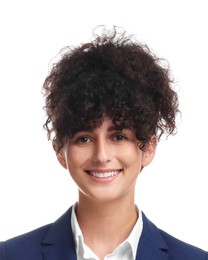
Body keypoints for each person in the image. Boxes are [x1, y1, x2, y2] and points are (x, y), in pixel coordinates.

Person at [0, 27, 207, 260]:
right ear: (60, 150)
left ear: (148, 147)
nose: (101, 155)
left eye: (118, 136)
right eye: (84, 138)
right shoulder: (10, 255)